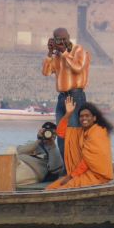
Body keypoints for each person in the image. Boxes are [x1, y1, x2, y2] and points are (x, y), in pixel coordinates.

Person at [42, 27, 91, 162]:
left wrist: (64, 52)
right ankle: (66, 167)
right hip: (62, 97)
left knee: (75, 133)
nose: (62, 41)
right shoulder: (56, 55)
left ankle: (77, 166)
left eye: (64, 38)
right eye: (59, 39)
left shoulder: (79, 50)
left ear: (69, 37)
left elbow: (78, 67)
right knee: (61, 134)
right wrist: (50, 53)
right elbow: (46, 72)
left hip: (76, 96)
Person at [46, 96, 114, 190]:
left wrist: (71, 176)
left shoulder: (98, 132)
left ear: (94, 118)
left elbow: (87, 161)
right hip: (82, 173)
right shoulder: (81, 131)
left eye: (87, 116)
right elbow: (61, 132)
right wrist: (68, 113)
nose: (84, 118)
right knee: (51, 187)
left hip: (97, 175)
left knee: (61, 189)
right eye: (81, 116)